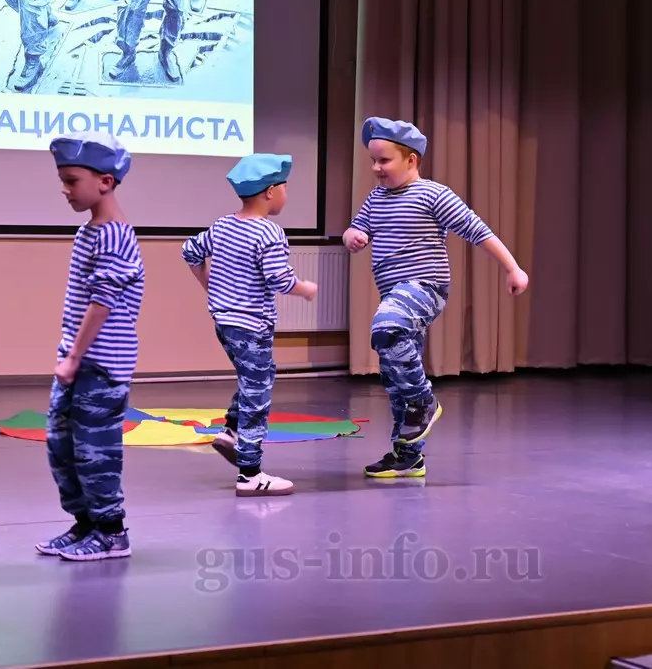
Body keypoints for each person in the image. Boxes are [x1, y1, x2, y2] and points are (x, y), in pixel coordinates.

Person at [344, 117, 528, 478]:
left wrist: (513, 268)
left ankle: (424, 401)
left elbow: (478, 230)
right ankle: (408, 455)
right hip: (394, 293)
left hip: (425, 287)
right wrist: (352, 236)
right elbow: (356, 227)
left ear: (411, 160)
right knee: (395, 374)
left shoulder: (433, 194)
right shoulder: (376, 198)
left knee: (386, 328)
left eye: (384, 160)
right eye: (373, 161)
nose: (376, 168)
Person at [36, 131, 145, 560]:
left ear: (105, 181)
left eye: (71, 181)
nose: (65, 190)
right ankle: (87, 523)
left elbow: (102, 304)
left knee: (95, 451)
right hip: (77, 360)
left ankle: (112, 532)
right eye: (62, 181)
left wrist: (74, 357)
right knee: (62, 445)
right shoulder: (89, 232)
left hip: (101, 364)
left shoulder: (115, 236)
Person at [182, 153, 318, 496]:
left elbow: (190, 250)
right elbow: (278, 278)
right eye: (285, 187)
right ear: (270, 192)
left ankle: (231, 430)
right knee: (258, 391)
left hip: (224, 322)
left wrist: (209, 286)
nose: (286, 194)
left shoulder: (223, 225)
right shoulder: (269, 232)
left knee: (256, 376)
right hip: (251, 325)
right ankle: (250, 474)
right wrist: (304, 288)